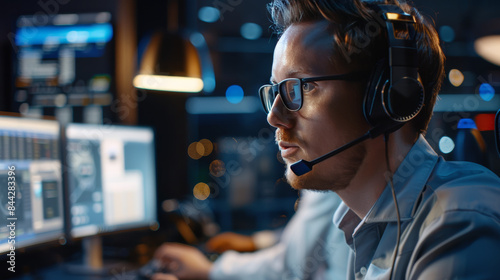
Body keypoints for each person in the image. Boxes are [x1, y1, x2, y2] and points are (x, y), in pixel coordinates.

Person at [260, 0, 500, 279]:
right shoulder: (358, 226)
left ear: (391, 98)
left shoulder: (459, 221)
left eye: (301, 87)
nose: (274, 117)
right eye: (275, 90)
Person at [152, 190, 350, 280]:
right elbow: (306, 234)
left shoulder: (329, 182)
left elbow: (291, 268)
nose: (274, 118)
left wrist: (209, 270)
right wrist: (254, 242)